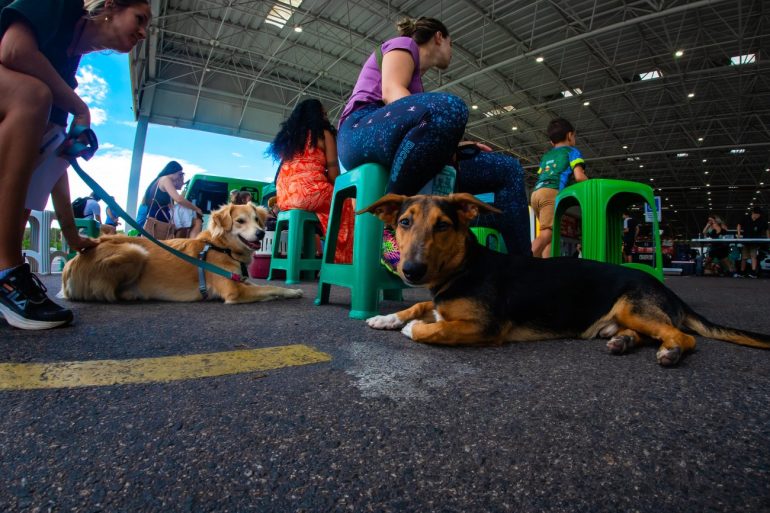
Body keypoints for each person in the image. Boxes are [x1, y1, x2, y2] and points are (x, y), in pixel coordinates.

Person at [0, 0, 152, 330]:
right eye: (139, 18)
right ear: (111, 6)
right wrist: (81, 110)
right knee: (33, 96)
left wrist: (72, 235)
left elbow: (53, 159)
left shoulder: (66, 70)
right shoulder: (61, 5)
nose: (143, 32)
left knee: (50, 135)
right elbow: (13, 50)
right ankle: (7, 270)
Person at [336, 17, 531, 256]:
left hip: (400, 140)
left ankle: (522, 265)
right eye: (451, 44)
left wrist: (453, 143)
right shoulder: (402, 45)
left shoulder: (418, 89)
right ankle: (395, 225)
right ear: (439, 37)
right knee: (450, 107)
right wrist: (442, 121)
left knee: (508, 169)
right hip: (359, 130)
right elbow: (391, 91)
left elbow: (420, 124)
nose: (451, 52)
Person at [268, 98, 353, 263]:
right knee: (345, 204)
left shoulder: (289, 139)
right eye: (324, 113)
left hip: (285, 197)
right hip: (309, 193)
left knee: (326, 203)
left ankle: (313, 258)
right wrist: (346, 190)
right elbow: (334, 174)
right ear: (317, 115)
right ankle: (341, 260)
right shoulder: (324, 134)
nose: (327, 116)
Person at [530, 118, 588, 258]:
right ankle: (521, 265)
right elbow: (579, 177)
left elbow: (542, 174)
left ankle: (544, 272)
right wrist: (592, 184)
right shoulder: (572, 151)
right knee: (547, 234)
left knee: (549, 236)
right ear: (570, 135)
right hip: (551, 192)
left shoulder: (546, 156)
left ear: (551, 142)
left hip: (536, 194)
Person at [136, 161, 202, 238]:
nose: (179, 177)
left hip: (155, 217)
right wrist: (197, 209)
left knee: (186, 220)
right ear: (173, 172)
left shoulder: (157, 181)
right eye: (179, 174)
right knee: (197, 221)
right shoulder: (165, 179)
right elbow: (179, 199)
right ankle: (193, 246)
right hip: (160, 217)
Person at [736, 207, 769, 278]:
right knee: (744, 257)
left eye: (759, 214)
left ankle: (753, 272)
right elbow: (739, 225)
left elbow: (767, 229)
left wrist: (768, 238)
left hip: (755, 241)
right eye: (757, 214)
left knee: (753, 256)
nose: (758, 216)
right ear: (753, 213)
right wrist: (738, 234)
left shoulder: (762, 220)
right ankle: (742, 272)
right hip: (745, 241)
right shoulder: (746, 218)